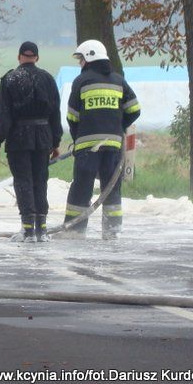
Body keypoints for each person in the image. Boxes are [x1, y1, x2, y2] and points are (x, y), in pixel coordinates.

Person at [60, 40, 141, 240]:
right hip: (113, 144)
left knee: (81, 188)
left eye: (81, 59)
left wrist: (79, 135)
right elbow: (134, 110)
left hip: (87, 146)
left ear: (88, 57)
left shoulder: (81, 82)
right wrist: (117, 126)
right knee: (111, 188)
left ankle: (74, 231)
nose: (80, 64)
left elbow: (72, 116)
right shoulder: (118, 80)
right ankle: (112, 231)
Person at [0, 42, 62, 242]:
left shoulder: (10, 79)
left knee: (23, 181)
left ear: (19, 57)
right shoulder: (48, 79)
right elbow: (55, 113)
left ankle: (28, 229)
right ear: (37, 58)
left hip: (18, 137)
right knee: (40, 180)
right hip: (43, 137)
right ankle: (42, 229)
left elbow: (4, 113)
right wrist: (55, 142)